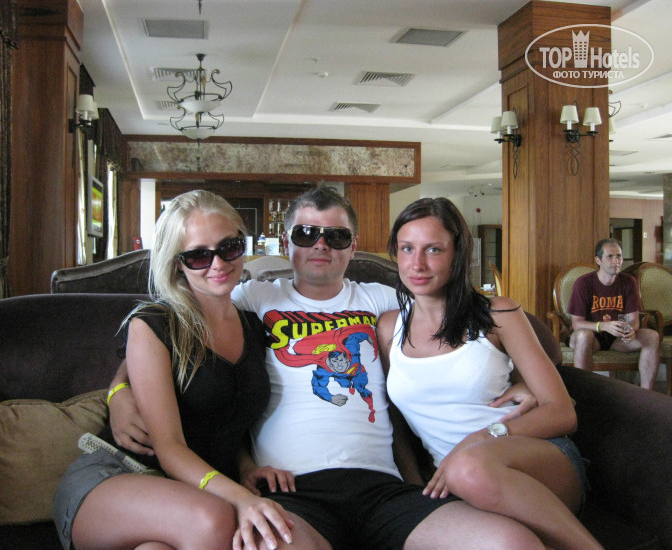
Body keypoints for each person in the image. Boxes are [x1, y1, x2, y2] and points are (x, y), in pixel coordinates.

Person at [109, 186, 549, 550]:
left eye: (336, 237)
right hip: (290, 491)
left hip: (384, 487)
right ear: (287, 245)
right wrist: (119, 390)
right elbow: (170, 331)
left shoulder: (384, 300)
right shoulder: (250, 298)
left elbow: (473, 325)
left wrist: (525, 381)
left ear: (353, 247)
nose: (320, 245)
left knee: (510, 543)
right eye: (306, 234)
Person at [52, 190, 294, 550]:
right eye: (198, 255)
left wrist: (246, 468)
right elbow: (169, 447)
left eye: (229, 247)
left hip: (189, 490)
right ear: (177, 263)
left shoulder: (255, 326)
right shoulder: (154, 324)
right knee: (213, 520)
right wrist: (242, 499)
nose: (218, 263)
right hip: (121, 474)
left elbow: (229, 420)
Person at [377, 197, 603, 550]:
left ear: (457, 254)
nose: (417, 263)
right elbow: (394, 419)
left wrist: (481, 438)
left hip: (533, 461)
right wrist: (410, 481)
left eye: (434, 249)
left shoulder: (498, 314)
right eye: (407, 248)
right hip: (455, 483)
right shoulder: (389, 328)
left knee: (469, 467)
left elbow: (562, 412)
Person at [567, 238, 659, 390]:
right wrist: (603, 326)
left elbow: (634, 319)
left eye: (619, 256)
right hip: (591, 336)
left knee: (652, 336)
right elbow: (577, 324)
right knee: (584, 335)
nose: (616, 261)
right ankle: (584, 394)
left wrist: (631, 330)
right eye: (610, 256)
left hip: (617, 337)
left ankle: (647, 395)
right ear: (598, 260)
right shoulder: (583, 283)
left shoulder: (629, 282)